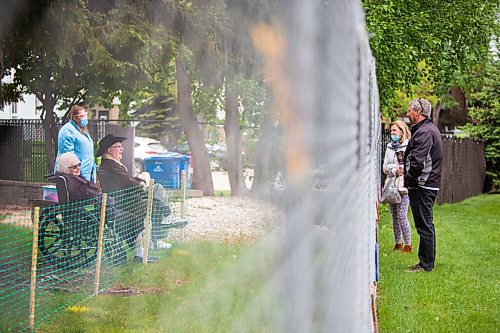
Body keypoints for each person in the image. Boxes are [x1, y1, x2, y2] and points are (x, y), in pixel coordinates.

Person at [96, 134, 171, 261]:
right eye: (118, 146)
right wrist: (141, 184)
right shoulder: (110, 164)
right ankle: (160, 232)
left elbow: (127, 178)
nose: (122, 149)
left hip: (128, 198)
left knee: (157, 191)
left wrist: (140, 180)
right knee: (157, 199)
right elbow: (128, 181)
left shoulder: (111, 164)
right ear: (109, 150)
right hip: (126, 202)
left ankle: (160, 231)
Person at [400, 98, 443, 272]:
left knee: (424, 225)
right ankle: (425, 262)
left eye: (410, 110)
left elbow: (418, 161)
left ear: (418, 112)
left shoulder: (425, 131)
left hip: (423, 185)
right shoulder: (425, 129)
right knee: (424, 224)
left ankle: (426, 265)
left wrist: (410, 181)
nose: (408, 113)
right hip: (424, 184)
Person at [383, 120, 412, 254]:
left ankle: (408, 245)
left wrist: (396, 168)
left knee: (402, 215)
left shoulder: (408, 146)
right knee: (394, 216)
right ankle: (398, 244)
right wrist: (394, 170)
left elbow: (408, 165)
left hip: (403, 186)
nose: (392, 133)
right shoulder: (389, 147)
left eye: (394, 130)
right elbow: (384, 168)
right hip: (391, 186)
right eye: (391, 131)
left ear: (401, 131)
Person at [55, 105, 97, 183]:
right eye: (82, 116)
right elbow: (67, 155)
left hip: (86, 174)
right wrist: (75, 170)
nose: (85, 118)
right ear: (75, 117)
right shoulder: (67, 130)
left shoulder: (82, 131)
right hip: (76, 176)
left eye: (85, 115)